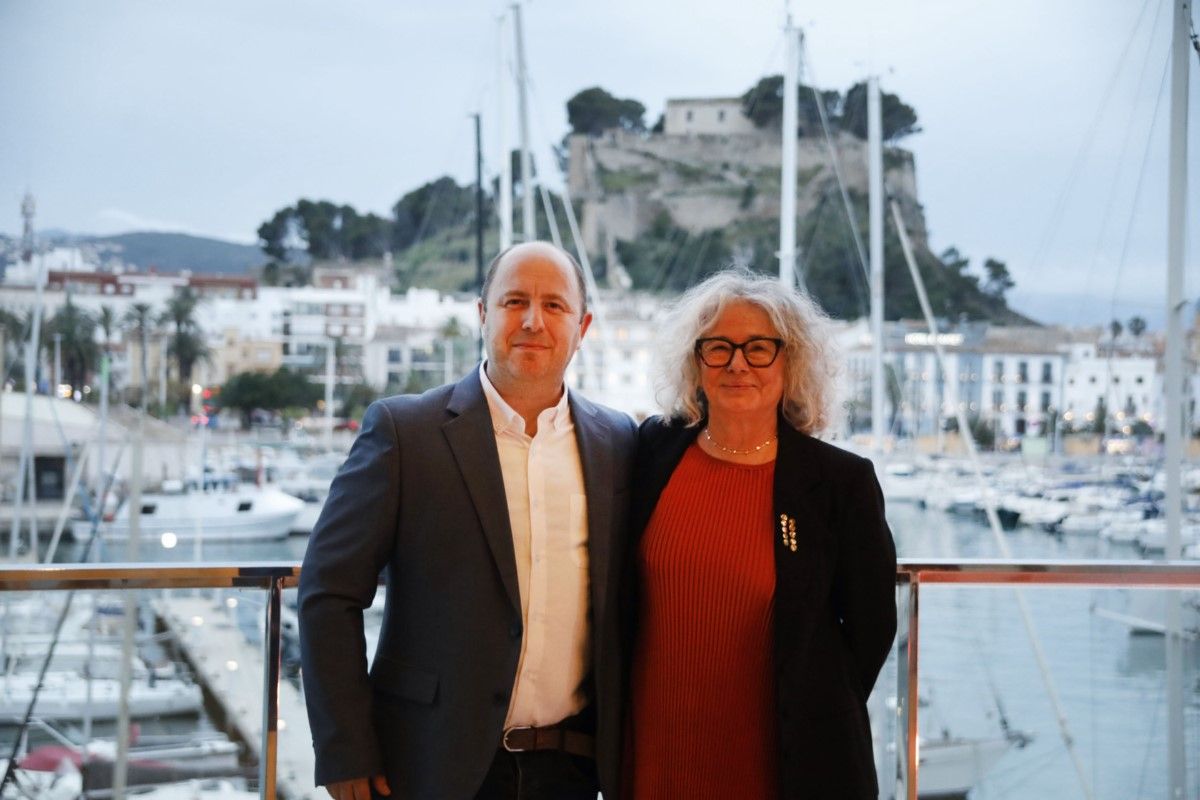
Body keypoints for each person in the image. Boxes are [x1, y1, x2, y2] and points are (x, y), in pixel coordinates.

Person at [299, 241, 637, 800]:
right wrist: (345, 749)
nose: (533, 321)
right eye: (514, 301)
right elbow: (328, 592)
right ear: (483, 314)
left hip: (571, 771)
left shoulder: (617, 442)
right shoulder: (405, 433)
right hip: (431, 763)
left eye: (555, 306)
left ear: (584, 326)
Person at [623, 268, 897, 799]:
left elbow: (872, 630)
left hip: (780, 764)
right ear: (695, 362)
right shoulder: (654, 451)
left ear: (790, 361)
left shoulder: (839, 484)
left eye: (758, 348)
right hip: (656, 753)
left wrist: (807, 711)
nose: (737, 364)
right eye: (718, 347)